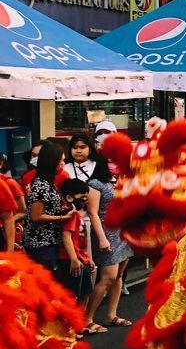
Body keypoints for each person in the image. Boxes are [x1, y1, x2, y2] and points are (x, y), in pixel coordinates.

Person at [82, 154, 133, 332]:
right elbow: (93, 213)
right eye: (111, 160)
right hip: (106, 232)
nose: (115, 164)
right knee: (108, 277)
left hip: (122, 232)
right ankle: (87, 319)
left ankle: (111, 314)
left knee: (118, 275)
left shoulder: (120, 180)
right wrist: (102, 238)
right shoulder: (95, 184)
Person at [23, 141, 72, 272]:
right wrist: (62, 217)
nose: (63, 164)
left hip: (48, 241)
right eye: (60, 161)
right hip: (41, 244)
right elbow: (36, 216)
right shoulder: (41, 184)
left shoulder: (47, 182)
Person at [57, 178, 96, 328]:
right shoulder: (70, 214)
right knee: (72, 294)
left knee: (86, 290)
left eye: (86, 198)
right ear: (69, 197)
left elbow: (82, 240)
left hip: (82, 258)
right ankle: (70, 326)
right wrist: (73, 259)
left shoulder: (77, 215)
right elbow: (66, 236)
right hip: (71, 260)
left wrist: (88, 258)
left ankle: (79, 323)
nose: (84, 201)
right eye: (82, 198)